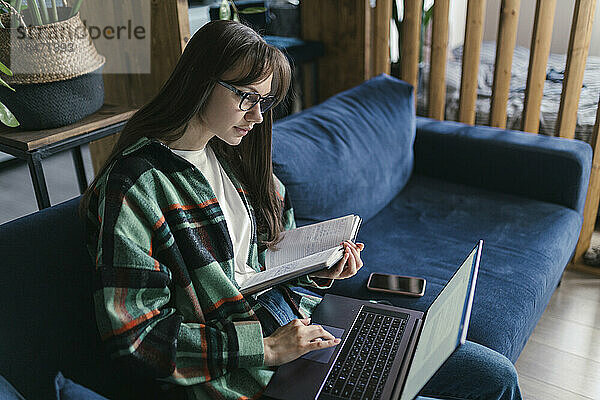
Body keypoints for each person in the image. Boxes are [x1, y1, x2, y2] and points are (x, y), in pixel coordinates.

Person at [80, 20, 521, 400]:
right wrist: (267, 348)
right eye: (245, 97)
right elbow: (135, 340)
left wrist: (319, 272)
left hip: (301, 332)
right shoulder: (137, 185)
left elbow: (264, 269)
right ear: (199, 80)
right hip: (248, 378)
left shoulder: (232, 155)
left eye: (265, 102)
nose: (256, 117)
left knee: (495, 375)